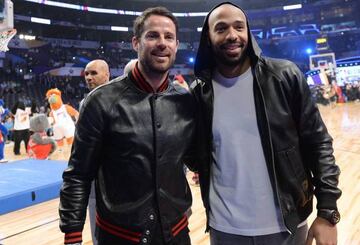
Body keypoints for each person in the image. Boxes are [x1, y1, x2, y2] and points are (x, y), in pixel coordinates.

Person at [191, 2, 341, 245]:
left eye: (239, 27)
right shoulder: (199, 92)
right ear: (208, 37)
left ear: (248, 33)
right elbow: (194, 151)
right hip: (224, 228)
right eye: (221, 28)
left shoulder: (284, 76)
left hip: (287, 224)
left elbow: (319, 144)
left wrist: (327, 212)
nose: (232, 35)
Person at [59, 6, 197, 245]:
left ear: (176, 45)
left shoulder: (185, 101)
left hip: (176, 234)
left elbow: (198, 161)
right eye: (153, 35)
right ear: (136, 42)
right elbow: (78, 175)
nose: (162, 43)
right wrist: (72, 236)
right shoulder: (100, 101)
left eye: (169, 37)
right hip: (119, 237)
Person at [81, 59, 110, 245]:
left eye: (94, 73)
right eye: (86, 74)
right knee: (96, 228)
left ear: (107, 74)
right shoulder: (85, 102)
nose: (89, 77)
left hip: (117, 175)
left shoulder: (123, 98)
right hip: (93, 174)